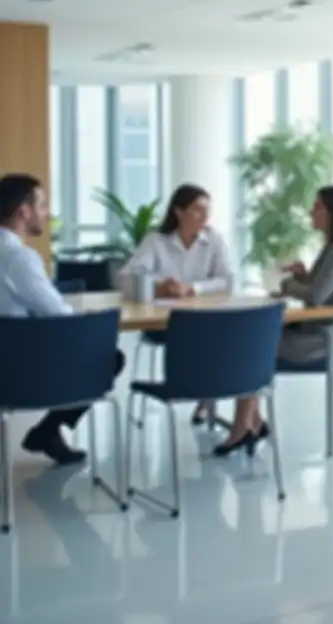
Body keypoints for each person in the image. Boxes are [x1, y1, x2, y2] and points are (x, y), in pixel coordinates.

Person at [214, 184, 333, 457]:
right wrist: (303, 276)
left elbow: (317, 296)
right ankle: (252, 421)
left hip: (327, 342)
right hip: (320, 334)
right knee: (252, 341)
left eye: (318, 207)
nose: (311, 211)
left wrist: (287, 285)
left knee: (252, 346)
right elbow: (321, 289)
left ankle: (244, 425)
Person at [0, 173, 125, 465]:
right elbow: (57, 314)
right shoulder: (18, 257)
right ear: (23, 211)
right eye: (42, 206)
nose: (47, 214)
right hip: (15, 372)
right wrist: (86, 318)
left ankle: (48, 433)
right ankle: (49, 430)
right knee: (108, 358)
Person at [120, 183, 235, 425]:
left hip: (202, 318)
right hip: (163, 323)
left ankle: (207, 396)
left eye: (207, 210)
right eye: (197, 209)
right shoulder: (156, 241)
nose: (205, 216)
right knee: (207, 335)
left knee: (216, 332)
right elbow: (127, 277)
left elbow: (226, 280)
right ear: (179, 212)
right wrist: (159, 286)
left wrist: (193, 288)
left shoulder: (213, 239)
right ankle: (202, 391)